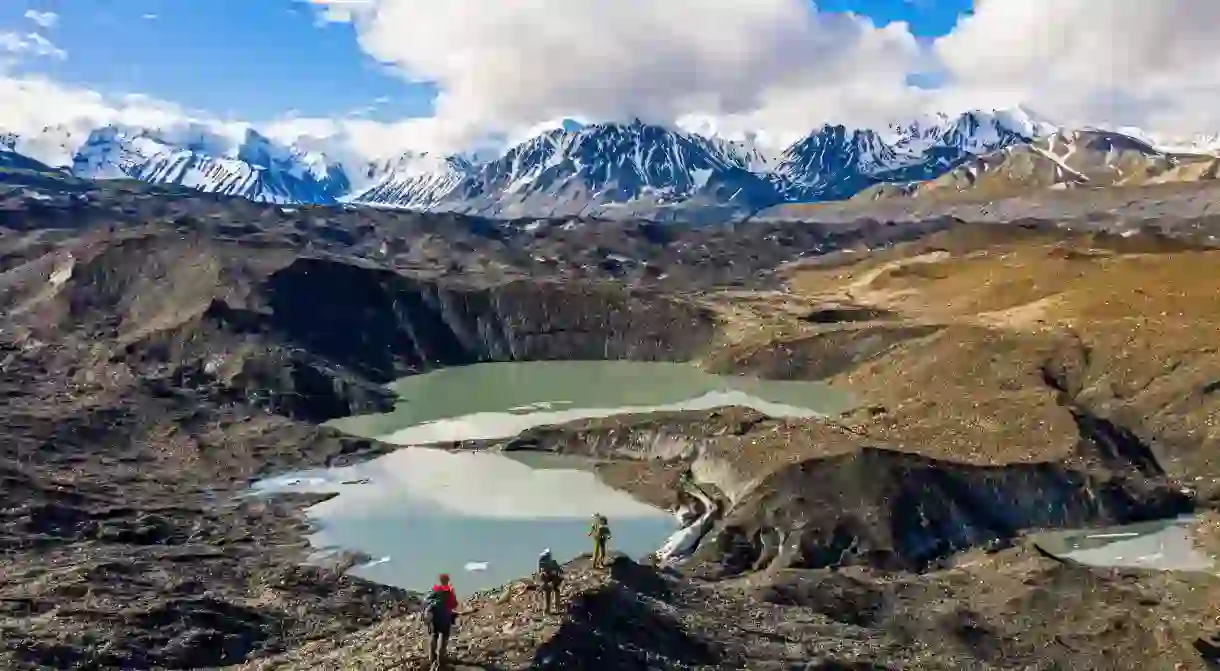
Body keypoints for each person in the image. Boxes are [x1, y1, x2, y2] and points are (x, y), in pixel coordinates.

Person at [422, 573, 459, 670]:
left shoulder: (434, 589)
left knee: (434, 636)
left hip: (435, 618)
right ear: (447, 580)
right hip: (445, 618)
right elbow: (454, 604)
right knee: (443, 639)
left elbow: (426, 601)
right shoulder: (449, 590)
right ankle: (440, 662)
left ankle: (432, 659)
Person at [536, 548, 564, 614]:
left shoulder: (547, 563)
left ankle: (552, 608)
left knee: (551, 592)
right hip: (548, 582)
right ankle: (551, 609)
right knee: (550, 592)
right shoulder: (548, 563)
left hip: (552, 581)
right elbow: (541, 576)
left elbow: (560, 572)